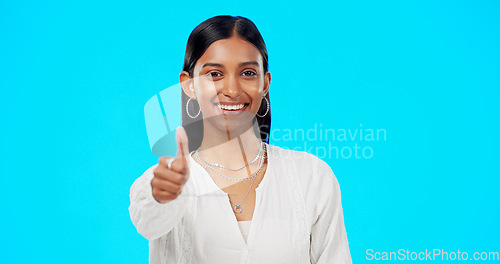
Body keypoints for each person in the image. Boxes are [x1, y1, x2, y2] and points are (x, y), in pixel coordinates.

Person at [129, 15, 352, 264]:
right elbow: (148, 222)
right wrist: (162, 197)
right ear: (189, 85)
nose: (233, 90)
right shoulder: (161, 182)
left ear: (265, 83)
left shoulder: (312, 176)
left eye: (247, 73)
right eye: (214, 74)